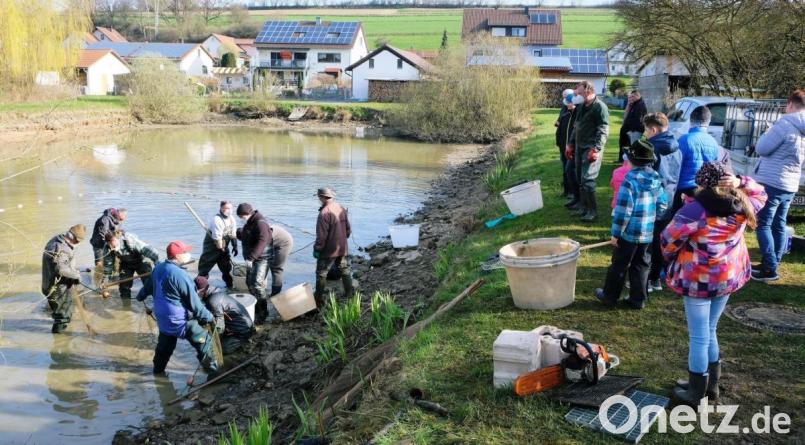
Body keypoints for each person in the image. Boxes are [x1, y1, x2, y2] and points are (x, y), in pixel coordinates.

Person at [661, 162, 766, 406]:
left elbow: (668, 240)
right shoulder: (743, 203)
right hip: (728, 278)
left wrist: (671, 259)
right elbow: (762, 193)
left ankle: (695, 394)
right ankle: (711, 387)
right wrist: (741, 182)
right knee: (710, 330)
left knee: (699, 336)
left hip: (699, 281)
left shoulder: (694, 210)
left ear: (702, 183)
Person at [595, 140, 666, 309]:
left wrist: (616, 233)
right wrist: (653, 219)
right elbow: (663, 203)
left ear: (631, 160)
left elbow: (623, 211)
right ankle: (638, 299)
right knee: (641, 265)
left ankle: (609, 297)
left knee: (619, 264)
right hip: (647, 232)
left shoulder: (629, 180)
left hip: (628, 234)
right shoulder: (655, 177)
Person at [136, 241, 219, 378]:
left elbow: (147, 289)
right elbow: (195, 304)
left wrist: (139, 297)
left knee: (164, 347)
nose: (188, 254)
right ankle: (213, 374)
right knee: (204, 341)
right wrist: (209, 318)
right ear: (178, 256)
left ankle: (158, 372)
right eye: (185, 252)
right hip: (179, 320)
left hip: (163, 320)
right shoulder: (180, 275)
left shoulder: (158, 268)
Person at [751, 89, 805, 282]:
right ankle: (773, 262)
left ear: (790, 104)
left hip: (772, 182)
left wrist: (767, 131)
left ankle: (770, 268)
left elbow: (762, 148)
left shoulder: (784, 124)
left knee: (763, 224)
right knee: (779, 224)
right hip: (790, 184)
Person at [645, 113, 681, 292]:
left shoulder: (650, 148)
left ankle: (644, 280)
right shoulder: (677, 147)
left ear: (653, 129)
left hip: (652, 200)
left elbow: (647, 175)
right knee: (660, 240)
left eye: (646, 130)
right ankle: (655, 279)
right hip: (669, 198)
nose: (645, 134)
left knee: (647, 241)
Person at [565, 80, 610, 222]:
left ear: (588, 91)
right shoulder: (581, 107)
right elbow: (576, 126)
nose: (577, 95)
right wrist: (570, 144)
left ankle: (592, 211)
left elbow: (603, 130)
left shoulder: (599, 107)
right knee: (580, 178)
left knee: (588, 179)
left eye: (580, 92)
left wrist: (596, 149)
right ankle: (583, 207)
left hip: (591, 148)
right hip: (579, 146)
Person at [673, 106, 720, 212]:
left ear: (691, 120)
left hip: (682, 192)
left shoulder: (683, 140)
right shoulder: (713, 142)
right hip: (703, 192)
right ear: (708, 122)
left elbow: (675, 168)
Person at [314, 187, 355, 306]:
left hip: (328, 251)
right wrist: (343, 239)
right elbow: (348, 230)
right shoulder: (340, 208)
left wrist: (317, 249)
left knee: (321, 273)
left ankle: (318, 300)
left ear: (322, 198)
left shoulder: (324, 213)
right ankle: (349, 294)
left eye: (318, 197)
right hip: (342, 247)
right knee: (344, 269)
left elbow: (321, 237)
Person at [42, 225, 86, 333]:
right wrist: (77, 275)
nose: (78, 243)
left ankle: (60, 335)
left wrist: (73, 272)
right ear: (71, 237)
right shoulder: (62, 248)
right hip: (58, 289)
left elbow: (63, 264)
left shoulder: (57, 239)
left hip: (51, 285)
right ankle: (60, 343)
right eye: (77, 241)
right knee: (63, 318)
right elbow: (61, 269)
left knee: (60, 314)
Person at [194, 276, 254, 354]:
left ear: (200, 291)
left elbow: (219, 326)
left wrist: (214, 340)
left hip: (243, 330)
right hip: (240, 324)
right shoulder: (215, 292)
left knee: (218, 349)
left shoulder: (213, 300)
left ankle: (243, 341)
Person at [235, 202, 272, 324]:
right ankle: (255, 305)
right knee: (248, 282)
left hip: (262, 258)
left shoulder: (261, 223)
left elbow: (262, 241)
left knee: (257, 284)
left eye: (241, 216)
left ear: (246, 214)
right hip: (251, 258)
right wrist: (238, 234)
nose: (241, 219)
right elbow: (249, 236)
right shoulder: (250, 223)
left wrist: (251, 258)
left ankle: (263, 311)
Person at [103, 231, 159, 299]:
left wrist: (158, 265)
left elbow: (151, 252)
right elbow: (107, 266)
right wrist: (105, 282)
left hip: (141, 261)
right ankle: (126, 306)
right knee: (124, 287)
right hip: (126, 264)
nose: (111, 244)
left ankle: (157, 302)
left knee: (150, 284)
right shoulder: (107, 248)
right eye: (108, 242)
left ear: (117, 238)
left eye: (112, 241)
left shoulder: (129, 240)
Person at [198, 201, 239, 289]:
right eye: (226, 208)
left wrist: (235, 245)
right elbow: (217, 238)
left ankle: (230, 286)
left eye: (230, 208)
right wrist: (221, 248)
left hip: (223, 246)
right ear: (221, 208)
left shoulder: (231, 219)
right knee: (204, 269)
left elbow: (233, 233)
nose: (228, 210)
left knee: (226, 268)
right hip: (212, 247)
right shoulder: (217, 220)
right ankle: (200, 288)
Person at [555, 89, 578, 200]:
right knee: (565, 171)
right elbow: (559, 132)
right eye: (568, 103)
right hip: (563, 149)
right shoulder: (564, 116)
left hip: (573, 150)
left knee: (571, 171)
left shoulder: (578, 116)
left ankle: (574, 193)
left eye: (571, 103)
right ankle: (567, 191)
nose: (569, 105)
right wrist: (560, 145)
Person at [619, 90, 648, 161]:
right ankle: (625, 161)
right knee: (629, 146)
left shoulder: (640, 105)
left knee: (634, 147)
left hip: (635, 130)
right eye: (630, 97)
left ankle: (634, 162)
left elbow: (638, 120)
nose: (630, 98)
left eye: (632, 96)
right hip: (630, 130)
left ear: (637, 96)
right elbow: (626, 116)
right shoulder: (635, 104)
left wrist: (631, 130)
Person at [268, 225, 294, 297]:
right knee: (267, 263)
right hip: (273, 241)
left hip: (284, 242)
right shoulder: (252, 231)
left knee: (276, 268)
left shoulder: (261, 235)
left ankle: (275, 295)